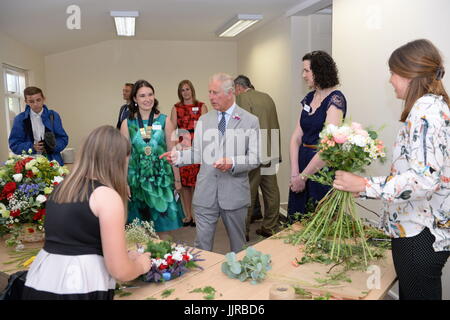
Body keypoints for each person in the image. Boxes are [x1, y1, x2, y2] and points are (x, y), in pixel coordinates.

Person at [333, 39, 450, 300]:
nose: (390, 80)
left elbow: (424, 180)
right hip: (423, 228)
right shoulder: (433, 107)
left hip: (419, 233)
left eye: (393, 73)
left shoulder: (425, 112)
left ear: (410, 75)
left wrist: (364, 185)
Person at [22, 126, 151, 300]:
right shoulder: (106, 196)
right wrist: (141, 265)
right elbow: (120, 271)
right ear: (118, 160)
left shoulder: (63, 188)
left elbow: (78, 239)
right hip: (78, 286)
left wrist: (122, 256)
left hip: (41, 280)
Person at [161, 73, 260, 253]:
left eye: (215, 93)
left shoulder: (250, 121)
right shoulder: (204, 120)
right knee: (202, 248)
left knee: (239, 247)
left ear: (230, 93)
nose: (211, 97)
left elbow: (255, 157)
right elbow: (198, 153)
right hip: (206, 194)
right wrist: (179, 157)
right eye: (209, 92)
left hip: (234, 195)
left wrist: (232, 163)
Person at [120, 80, 184, 237]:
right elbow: (124, 156)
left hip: (161, 181)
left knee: (163, 230)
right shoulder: (127, 123)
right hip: (136, 182)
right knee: (140, 233)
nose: (147, 99)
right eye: (142, 96)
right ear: (135, 99)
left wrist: (177, 180)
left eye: (150, 94)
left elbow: (173, 152)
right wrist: (124, 182)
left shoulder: (165, 121)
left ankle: (165, 260)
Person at [288, 51, 347, 221]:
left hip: (320, 168)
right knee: (297, 219)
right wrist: (295, 173)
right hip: (301, 164)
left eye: (306, 71)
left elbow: (328, 146)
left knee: (316, 219)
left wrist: (304, 176)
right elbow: (296, 137)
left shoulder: (335, 100)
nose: (303, 75)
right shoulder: (308, 98)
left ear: (319, 71)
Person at [234, 75, 281, 239]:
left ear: (238, 87)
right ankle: (270, 226)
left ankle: (242, 231)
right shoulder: (267, 97)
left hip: (252, 154)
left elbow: (241, 129)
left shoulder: (241, 98)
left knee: (247, 192)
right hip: (270, 150)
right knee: (271, 191)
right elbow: (274, 123)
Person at [170, 80, 208, 227]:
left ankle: (199, 216)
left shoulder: (201, 106)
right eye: (182, 90)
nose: (185, 92)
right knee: (185, 185)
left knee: (199, 184)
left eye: (187, 89)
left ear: (192, 90)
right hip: (183, 147)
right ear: (180, 93)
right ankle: (188, 215)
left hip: (198, 147)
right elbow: (172, 130)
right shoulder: (176, 108)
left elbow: (206, 130)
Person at [8, 86, 69, 166]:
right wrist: (32, 147)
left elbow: (63, 138)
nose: (35, 104)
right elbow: (14, 144)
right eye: (31, 101)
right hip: (29, 165)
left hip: (54, 162)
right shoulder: (20, 119)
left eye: (38, 100)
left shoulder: (53, 115)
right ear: (26, 101)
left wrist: (52, 146)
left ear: (43, 99)